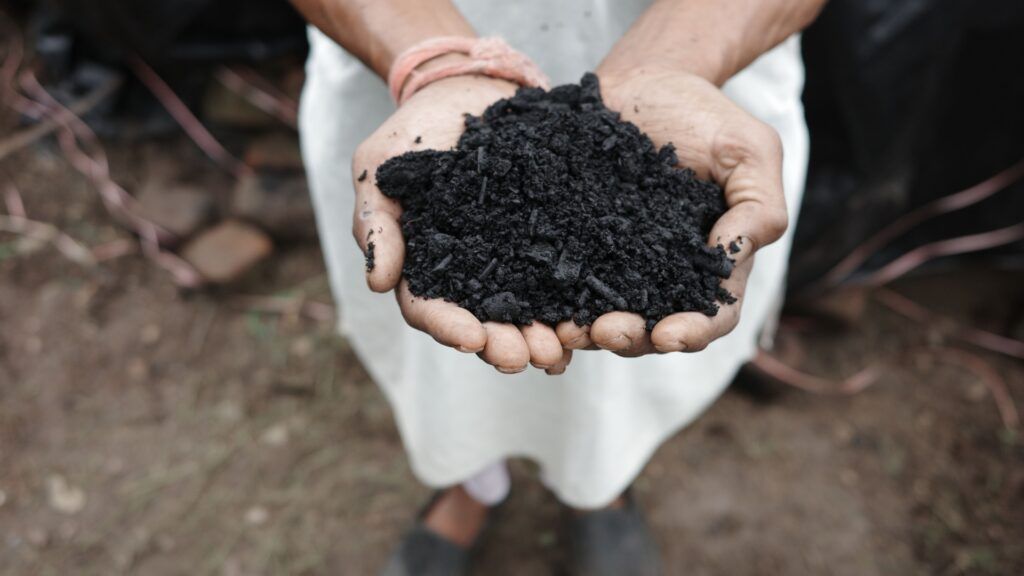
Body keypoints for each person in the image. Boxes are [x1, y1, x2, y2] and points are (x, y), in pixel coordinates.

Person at [290, 0, 824, 573]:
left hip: (707, 59)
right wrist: (436, 60)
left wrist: (672, 60)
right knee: (446, 372)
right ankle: (471, 485)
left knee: (616, 390)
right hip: (400, 64)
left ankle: (600, 487)